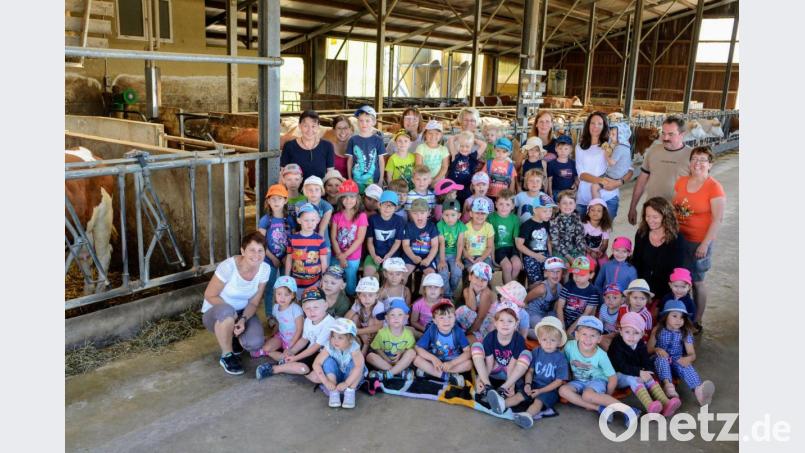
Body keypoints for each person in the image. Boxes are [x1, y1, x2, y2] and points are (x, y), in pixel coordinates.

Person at [672, 146, 725, 332]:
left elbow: (718, 219)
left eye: (703, 160)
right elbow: (675, 208)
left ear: (710, 164)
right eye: (695, 159)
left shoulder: (714, 187)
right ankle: (677, 315)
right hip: (679, 239)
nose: (698, 163)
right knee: (679, 279)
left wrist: (705, 244)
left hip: (698, 242)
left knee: (697, 281)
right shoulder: (681, 182)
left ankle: (697, 320)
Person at [202, 231, 271, 375]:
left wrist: (243, 319)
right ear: (242, 251)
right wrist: (233, 315)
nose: (256, 255)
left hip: (242, 312)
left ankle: (233, 337)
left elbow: (253, 303)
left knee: (255, 343)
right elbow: (210, 295)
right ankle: (227, 355)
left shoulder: (265, 269)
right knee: (227, 312)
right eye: (251, 250)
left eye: (260, 251)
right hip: (217, 313)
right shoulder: (228, 267)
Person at [558, 316, 641, 428]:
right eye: (584, 334)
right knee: (563, 390)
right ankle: (598, 408)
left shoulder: (601, 355)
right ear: (577, 335)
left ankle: (629, 411)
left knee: (587, 395)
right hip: (578, 380)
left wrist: (606, 397)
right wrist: (564, 379)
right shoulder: (569, 347)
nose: (588, 339)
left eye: (593, 336)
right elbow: (562, 363)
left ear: (599, 339)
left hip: (598, 381)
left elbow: (612, 378)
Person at [608, 312, 682, 417]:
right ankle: (650, 405)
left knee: (649, 378)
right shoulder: (616, 344)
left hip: (635, 371)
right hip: (617, 375)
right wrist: (638, 372)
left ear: (642, 334)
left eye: (636, 333)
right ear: (620, 331)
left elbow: (645, 360)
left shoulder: (641, 343)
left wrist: (647, 371)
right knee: (633, 379)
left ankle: (666, 403)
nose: (631, 336)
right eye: (627, 332)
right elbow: (620, 365)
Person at [256, 287, 335, 380]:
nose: (311, 311)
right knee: (290, 355)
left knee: (313, 376)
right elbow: (304, 339)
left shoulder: (329, 323)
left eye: (316, 307)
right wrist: (291, 351)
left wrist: (296, 357)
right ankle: (278, 365)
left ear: (326, 305)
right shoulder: (308, 320)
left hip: (322, 354)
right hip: (310, 351)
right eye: (307, 308)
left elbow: (315, 348)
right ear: (303, 309)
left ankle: (278, 367)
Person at [648, 300, 715, 406]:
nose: (679, 320)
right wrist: (657, 349)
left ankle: (699, 391)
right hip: (659, 360)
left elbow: (692, 354)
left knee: (685, 365)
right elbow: (649, 349)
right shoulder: (658, 330)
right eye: (674, 316)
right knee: (662, 359)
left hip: (676, 359)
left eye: (682, 317)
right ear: (666, 316)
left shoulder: (685, 332)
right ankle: (669, 388)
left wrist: (687, 359)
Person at [628, 116, 693, 225]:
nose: (665, 137)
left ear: (682, 135)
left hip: (677, 214)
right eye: (663, 133)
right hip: (651, 212)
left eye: (671, 134)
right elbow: (641, 181)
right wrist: (632, 207)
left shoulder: (692, 156)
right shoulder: (653, 151)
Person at [507, 316, 569, 429]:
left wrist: (541, 390)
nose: (548, 343)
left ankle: (527, 416)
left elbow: (559, 381)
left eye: (552, 340)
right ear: (539, 340)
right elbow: (530, 371)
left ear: (559, 342)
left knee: (538, 402)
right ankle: (501, 405)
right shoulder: (536, 351)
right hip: (534, 383)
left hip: (549, 389)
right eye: (545, 340)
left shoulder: (561, 358)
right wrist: (527, 384)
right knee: (520, 395)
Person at [473, 302, 532, 418]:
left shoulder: (518, 340)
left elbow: (512, 365)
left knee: (527, 354)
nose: (505, 324)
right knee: (476, 346)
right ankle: (487, 386)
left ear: (516, 324)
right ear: (495, 323)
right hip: (494, 369)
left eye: (510, 321)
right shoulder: (490, 337)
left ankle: (503, 389)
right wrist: (481, 379)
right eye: (501, 321)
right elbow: (489, 364)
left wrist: (511, 384)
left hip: (510, 372)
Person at [631, 197, 685, 315]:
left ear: (665, 217)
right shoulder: (642, 233)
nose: (650, 220)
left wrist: (661, 301)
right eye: (647, 216)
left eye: (655, 217)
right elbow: (637, 262)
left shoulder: (676, 238)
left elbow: (676, 272)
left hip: (667, 289)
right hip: (644, 288)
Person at [413, 300, 473, 386]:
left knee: (469, 364)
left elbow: (468, 352)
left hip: (452, 361)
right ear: (434, 320)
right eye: (441, 317)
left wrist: (452, 363)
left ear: (455, 318)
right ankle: (447, 377)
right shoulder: (432, 329)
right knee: (416, 359)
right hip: (435, 360)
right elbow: (418, 348)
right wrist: (433, 359)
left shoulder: (457, 331)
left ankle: (431, 373)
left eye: (450, 317)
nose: (446, 321)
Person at [312, 318, 367, 409]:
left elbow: (358, 367)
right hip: (335, 377)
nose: (335, 341)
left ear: (350, 339)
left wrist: (346, 383)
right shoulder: (329, 345)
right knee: (327, 361)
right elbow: (316, 364)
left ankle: (350, 391)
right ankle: (333, 390)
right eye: (333, 336)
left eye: (340, 338)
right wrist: (325, 382)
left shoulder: (354, 347)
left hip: (351, 378)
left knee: (358, 364)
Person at [258, 184, 291, 318]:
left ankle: (284, 313)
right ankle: (269, 315)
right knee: (270, 287)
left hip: (285, 259)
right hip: (269, 259)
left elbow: (292, 239)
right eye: (273, 199)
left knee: (285, 287)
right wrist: (273, 258)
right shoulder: (266, 220)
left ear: (285, 200)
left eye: (279, 198)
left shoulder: (289, 219)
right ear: (268, 202)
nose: (276, 202)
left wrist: (286, 257)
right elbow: (261, 242)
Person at [251, 276, 303, 361]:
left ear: (293, 295)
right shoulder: (275, 307)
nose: (282, 298)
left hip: (294, 340)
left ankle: (273, 354)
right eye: (279, 294)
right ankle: (268, 352)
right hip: (281, 336)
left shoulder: (296, 309)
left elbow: (299, 330)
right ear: (275, 294)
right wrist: (271, 335)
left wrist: (290, 345)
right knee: (266, 347)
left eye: (286, 294)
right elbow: (278, 324)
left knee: (286, 357)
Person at [331, 179, 368, 296]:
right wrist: (340, 256)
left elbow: (360, 239)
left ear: (357, 199)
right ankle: (336, 300)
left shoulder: (361, 216)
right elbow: (333, 237)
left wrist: (345, 256)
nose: (348, 200)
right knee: (333, 278)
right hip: (337, 254)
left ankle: (351, 300)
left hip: (352, 256)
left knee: (351, 280)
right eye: (345, 197)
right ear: (340, 199)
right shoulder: (336, 216)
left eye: (352, 197)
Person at [590, 122, 635, 218]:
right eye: (610, 133)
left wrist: (606, 154)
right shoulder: (625, 146)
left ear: (621, 135)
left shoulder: (619, 147)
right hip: (615, 175)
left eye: (613, 134)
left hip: (612, 176)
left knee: (594, 187)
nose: (611, 136)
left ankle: (598, 207)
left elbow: (611, 162)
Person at [285, 203, 329, 296]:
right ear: (299, 220)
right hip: (296, 281)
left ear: (318, 220)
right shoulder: (292, 239)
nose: (310, 223)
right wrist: (286, 277)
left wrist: (324, 279)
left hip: (315, 282)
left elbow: (324, 262)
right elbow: (289, 259)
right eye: (306, 220)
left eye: (313, 220)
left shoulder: (320, 240)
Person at [368, 300, 417, 381]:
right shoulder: (382, 333)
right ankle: (399, 372)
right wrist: (386, 358)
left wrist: (402, 353)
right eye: (392, 315)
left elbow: (411, 349)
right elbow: (376, 348)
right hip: (385, 362)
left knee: (412, 353)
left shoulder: (408, 334)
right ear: (387, 318)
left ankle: (387, 374)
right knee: (370, 356)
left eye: (400, 315)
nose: (396, 318)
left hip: (401, 362)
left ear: (406, 317)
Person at [574, 111, 612, 216]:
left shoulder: (609, 145)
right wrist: (600, 180)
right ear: (588, 125)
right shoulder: (579, 147)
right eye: (592, 123)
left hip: (606, 196)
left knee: (602, 231)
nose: (596, 126)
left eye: (600, 123)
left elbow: (618, 166)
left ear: (604, 126)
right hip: (584, 197)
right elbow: (581, 174)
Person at [280, 110, 334, 180]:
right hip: (294, 190)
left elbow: (330, 174)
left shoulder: (327, 146)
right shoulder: (289, 146)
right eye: (305, 126)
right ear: (299, 126)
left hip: (319, 190)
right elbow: (283, 173)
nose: (310, 130)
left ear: (318, 127)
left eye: (313, 126)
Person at [556, 256, 601, 336]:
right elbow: (559, 307)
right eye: (575, 274)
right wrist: (562, 327)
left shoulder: (593, 292)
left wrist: (570, 330)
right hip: (563, 319)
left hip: (580, 323)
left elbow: (586, 314)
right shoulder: (568, 286)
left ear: (591, 275)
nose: (577, 277)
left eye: (581, 275)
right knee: (554, 332)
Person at [365, 190, 405, 278]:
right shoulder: (373, 219)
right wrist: (374, 256)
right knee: (368, 275)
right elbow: (369, 242)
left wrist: (389, 255)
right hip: (374, 254)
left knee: (388, 277)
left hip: (392, 255)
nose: (387, 208)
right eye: (385, 204)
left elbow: (398, 242)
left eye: (391, 205)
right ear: (379, 205)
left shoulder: (399, 221)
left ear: (396, 208)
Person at [516, 194, 554, 287]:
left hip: (544, 255)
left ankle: (546, 298)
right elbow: (519, 244)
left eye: (550, 211)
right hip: (531, 256)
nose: (549, 214)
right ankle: (532, 297)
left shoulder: (546, 223)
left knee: (550, 277)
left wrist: (550, 255)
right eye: (545, 211)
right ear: (535, 210)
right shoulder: (527, 225)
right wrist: (535, 255)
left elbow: (548, 240)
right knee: (536, 283)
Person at [347, 105, 386, 193]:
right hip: (356, 180)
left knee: (372, 202)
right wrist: (349, 178)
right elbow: (350, 160)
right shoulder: (353, 140)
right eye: (361, 120)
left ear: (373, 122)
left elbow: (381, 161)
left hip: (373, 181)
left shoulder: (378, 140)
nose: (364, 124)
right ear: (357, 122)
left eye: (367, 121)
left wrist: (380, 180)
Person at [523, 257, 566, 337]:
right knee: (545, 333)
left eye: (558, 272)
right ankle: (523, 330)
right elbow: (526, 299)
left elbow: (557, 306)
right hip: (534, 313)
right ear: (546, 273)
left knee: (557, 329)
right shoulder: (542, 289)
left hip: (547, 314)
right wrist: (524, 314)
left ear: (562, 273)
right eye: (552, 271)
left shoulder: (560, 287)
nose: (555, 275)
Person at [489, 189, 522, 284]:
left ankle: (507, 290)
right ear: (496, 204)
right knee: (507, 266)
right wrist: (493, 258)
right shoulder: (491, 218)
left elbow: (516, 241)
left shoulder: (515, 219)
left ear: (512, 206)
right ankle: (508, 294)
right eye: (501, 204)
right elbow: (489, 240)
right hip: (497, 248)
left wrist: (520, 257)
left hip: (511, 248)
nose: (504, 207)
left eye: (507, 204)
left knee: (517, 265)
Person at [402, 198, 440, 276]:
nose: (419, 216)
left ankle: (422, 288)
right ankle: (403, 288)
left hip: (427, 256)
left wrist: (428, 259)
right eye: (415, 213)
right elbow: (405, 245)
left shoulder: (431, 226)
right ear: (411, 213)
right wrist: (413, 257)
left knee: (430, 275)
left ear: (429, 213)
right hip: (411, 256)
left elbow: (435, 245)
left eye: (422, 213)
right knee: (403, 274)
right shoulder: (408, 226)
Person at [437, 199, 467, 300]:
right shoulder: (440, 225)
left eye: (453, 215)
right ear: (442, 215)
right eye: (446, 215)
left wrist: (458, 259)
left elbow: (460, 244)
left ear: (459, 215)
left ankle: (449, 292)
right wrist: (441, 260)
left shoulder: (461, 226)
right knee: (443, 272)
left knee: (457, 272)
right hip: (442, 254)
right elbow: (441, 244)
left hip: (455, 255)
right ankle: (448, 297)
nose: (449, 218)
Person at [456, 262, 495, 337]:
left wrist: (468, 333)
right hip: (478, 319)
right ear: (470, 277)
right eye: (476, 277)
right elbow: (472, 308)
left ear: (487, 281)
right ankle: (460, 331)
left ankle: (473, 335)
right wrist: (471, 288)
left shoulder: (486, 293)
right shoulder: (466, 290)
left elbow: (481, 317)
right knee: (463, 310)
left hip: (489, 321)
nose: (479, 282)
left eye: (484, 279)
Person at [348, 276, 385, 356]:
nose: (367, 299)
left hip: (374, 333)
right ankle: (357, 346)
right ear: (359, 295)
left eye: (370, 295)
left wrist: (358, 331)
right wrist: (360, 333)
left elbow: (379, 326)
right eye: (363, 295)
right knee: (354, 317)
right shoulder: (358, 303)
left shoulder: (379, 306)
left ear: (377, 295)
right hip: (361, 331)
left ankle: (366, 346)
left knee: (372, 320)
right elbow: (346, 318)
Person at [296, 175, 334, 250]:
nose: (313, 193)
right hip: (304, 241)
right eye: (310, 190)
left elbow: (321, 229)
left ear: (321, 191)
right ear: (305, 191)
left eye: (317, 189)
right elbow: (301, 224)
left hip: (322, 241)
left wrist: (320, 248)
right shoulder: (299, 205)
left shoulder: (327, 206)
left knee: (323, 261)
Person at [550, 190, 586, 265]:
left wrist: (581, 254)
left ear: (575, 205)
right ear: (558, 205)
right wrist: (569, 257)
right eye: (564, 203)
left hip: (575, 250)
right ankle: (565, 276)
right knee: (565, 266)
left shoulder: (577, 218)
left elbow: (580, 237)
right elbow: (556, 242)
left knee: (582, 264)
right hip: (560, 251)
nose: (567, 206)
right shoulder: (554, 221)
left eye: (570, 203)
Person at [447, 131, 482, 205]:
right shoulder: (455, 155)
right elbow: (451, 139)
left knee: (464, 206)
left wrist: (472, 139)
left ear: (472, 146)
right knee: (452, 206)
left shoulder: (473, 157)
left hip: (466, 188)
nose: (464, 149)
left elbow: (484, 145)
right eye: (461, 146)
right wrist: (461, 136)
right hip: (453, 188)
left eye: (467, 146)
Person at [581, 198, 612, 270]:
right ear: (588, 212)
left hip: (599, 251)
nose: (595, 212)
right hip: (586, 250)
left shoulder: (605, 227)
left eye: (599, 211)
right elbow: (581, 242)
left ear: (603, 213)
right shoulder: (584, 225)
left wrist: (601, 251)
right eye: (592, 210)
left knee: (605, 265)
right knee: (591, 265)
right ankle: (590, 279)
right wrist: (590, 252)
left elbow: (605, 243)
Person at [463, 198, 495, 268]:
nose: (480, 216)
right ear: (471, 213)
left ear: (487, 215)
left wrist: (482, 258)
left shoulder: (489, 227)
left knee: (485, 271)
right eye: (477, 212)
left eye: (483, 213)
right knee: (471, 270)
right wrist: (467, 255)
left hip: (485, 256)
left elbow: (490, 247)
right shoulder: (465, 227)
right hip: (470, 257)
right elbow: (462, 246)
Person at [545, 134, 578, 202]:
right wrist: (550, 194)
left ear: (570, 150)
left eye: (566, 149)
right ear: (556, 149)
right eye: (560, 148)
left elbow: (576, 177)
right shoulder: (552, 164)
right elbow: (549, 180)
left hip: (569, 192)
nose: (563, 151)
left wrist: (575, 184)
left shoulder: (573, 163)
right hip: (556, 192)